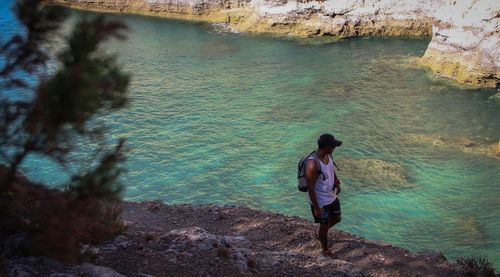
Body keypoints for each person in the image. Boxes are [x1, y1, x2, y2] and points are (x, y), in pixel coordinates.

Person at [306, 133, 342, 257]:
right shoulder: (312, 164)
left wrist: (336, 182)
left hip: (331, 196)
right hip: (321, 201)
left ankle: (320, 232)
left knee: (337, 218)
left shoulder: (328, 155)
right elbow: (310, 187)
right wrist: (316, 207)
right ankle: (325, 249)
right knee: (324, 225)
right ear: (327, 146)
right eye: (333, 146)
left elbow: (331, 168)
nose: (334, 148)